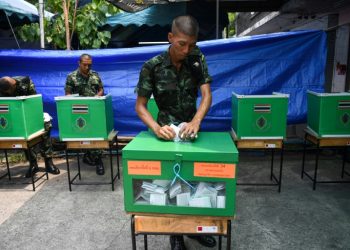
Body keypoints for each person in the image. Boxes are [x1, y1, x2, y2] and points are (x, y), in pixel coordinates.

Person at [135, 15, 215, 250]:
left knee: (196, 182)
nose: (186, 50)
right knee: (171, 184)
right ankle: (177, 233)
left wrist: (196, 121)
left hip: (192, 130)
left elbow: (207, 95)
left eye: (191, 44)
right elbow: (140, 106)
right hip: (166, 132)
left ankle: (196, 229)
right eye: (181, 44)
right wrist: (156, 128)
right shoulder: (153, 66)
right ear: (170, 38)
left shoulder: (197, 58)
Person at [0, 76, 60, 178]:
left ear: (13, 85)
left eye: (10, 91)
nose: (9, 93)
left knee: (45, 126)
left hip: (30, 113)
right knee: (23, 134)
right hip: (12, 117)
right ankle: (33, 164)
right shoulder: (2, 87)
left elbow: (34, 103)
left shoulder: (26, 83)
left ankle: (48, 162)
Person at [65, 54, 105, 175]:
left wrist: (97, 96)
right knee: (85, 134)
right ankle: (90, 156)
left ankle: (97, 160)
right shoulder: (71, 77)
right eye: (85, 64)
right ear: (79, 63)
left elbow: (101, 89)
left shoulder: (95, 74)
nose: (87, 67)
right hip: (80, 112)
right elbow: (67, 94)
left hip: (95, 110)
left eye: (89, 65)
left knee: (97, 134)